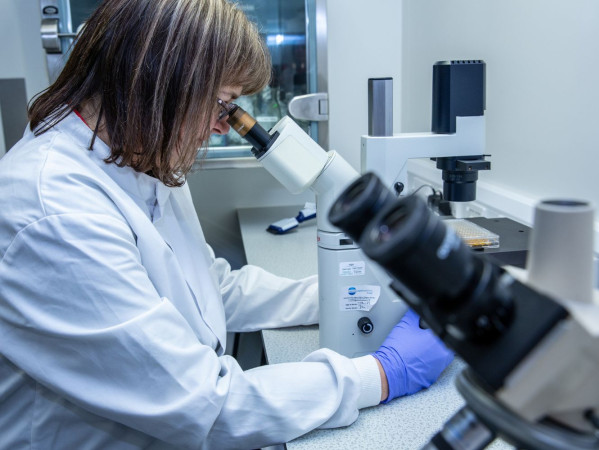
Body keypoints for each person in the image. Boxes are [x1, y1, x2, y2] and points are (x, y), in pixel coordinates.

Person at [0, 0, 453, 448]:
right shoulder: (53, 211)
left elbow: (211, 291)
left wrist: (349, 295)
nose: (223, 128)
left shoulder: (143, 158)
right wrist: (382, 374)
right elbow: (206, 405)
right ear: (159, 80)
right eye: (224, 104)